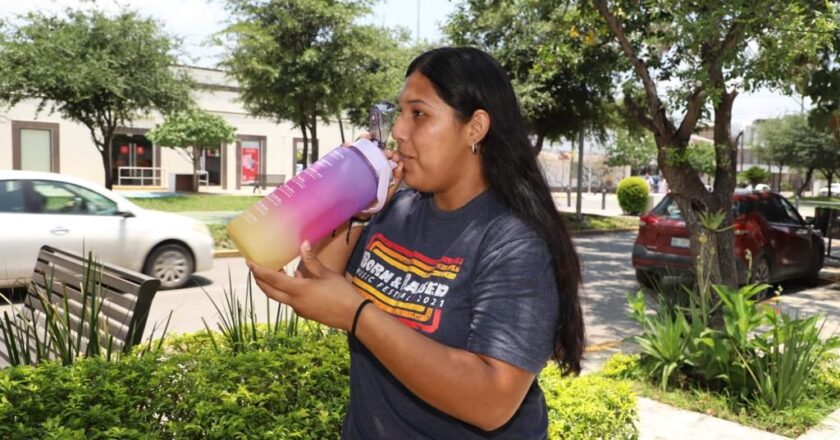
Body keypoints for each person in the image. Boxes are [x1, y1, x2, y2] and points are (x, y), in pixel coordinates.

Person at [248, 46, 584, 439]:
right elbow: (313, 282)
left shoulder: (513, 240)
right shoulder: (395, 209)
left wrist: (359, 315)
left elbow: (493, 402)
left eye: (419, 114)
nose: (399, 132)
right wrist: (356, 200)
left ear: (475, 128)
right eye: (400, 113)